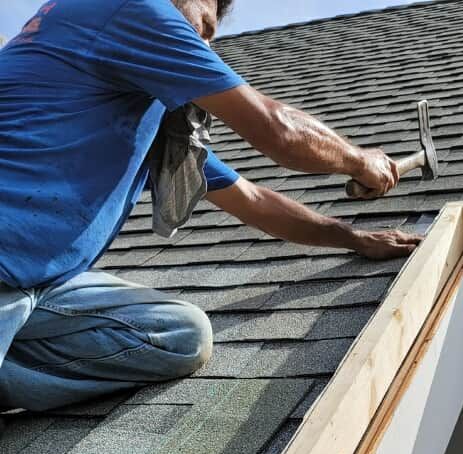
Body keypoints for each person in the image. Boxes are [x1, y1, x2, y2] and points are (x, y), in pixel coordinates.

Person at [0, 0, 422, 413]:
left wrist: (354, 238)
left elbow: (251, 200)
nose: (204, 44)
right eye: (203, 25)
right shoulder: (131, 7)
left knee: (180, 335)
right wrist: (357, 159)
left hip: (41, 284)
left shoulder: (142, 108)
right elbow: (277, 130)